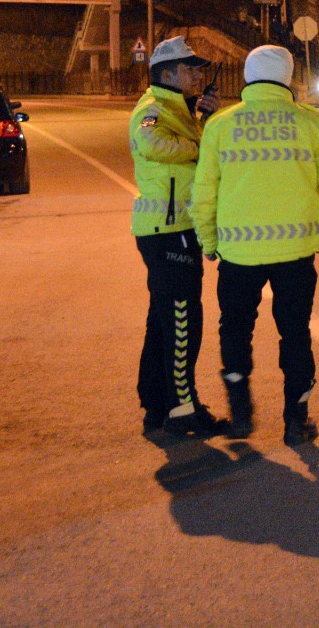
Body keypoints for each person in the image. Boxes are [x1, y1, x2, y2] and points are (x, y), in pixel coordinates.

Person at [192, 45, 319, 445]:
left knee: (235, 330)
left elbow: (204, 192)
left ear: (248, 77)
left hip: (238, 255)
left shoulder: (220, 125)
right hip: (296, 253)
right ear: (288, 78)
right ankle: (296, 421)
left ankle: (240, 412)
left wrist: (208, 241)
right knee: (295, 334)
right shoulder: (312, 123)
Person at [131, 35, 227, 439]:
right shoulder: (153, 108)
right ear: (168, 73)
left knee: (163, 321)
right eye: (190, 69)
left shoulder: (178, 108)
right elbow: (150, 142)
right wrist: (201, 141)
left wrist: (203, 119)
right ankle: (182, 409)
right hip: (169, 231)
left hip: (173, 229)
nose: (197, 76)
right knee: (184, 321)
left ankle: (156, 404)